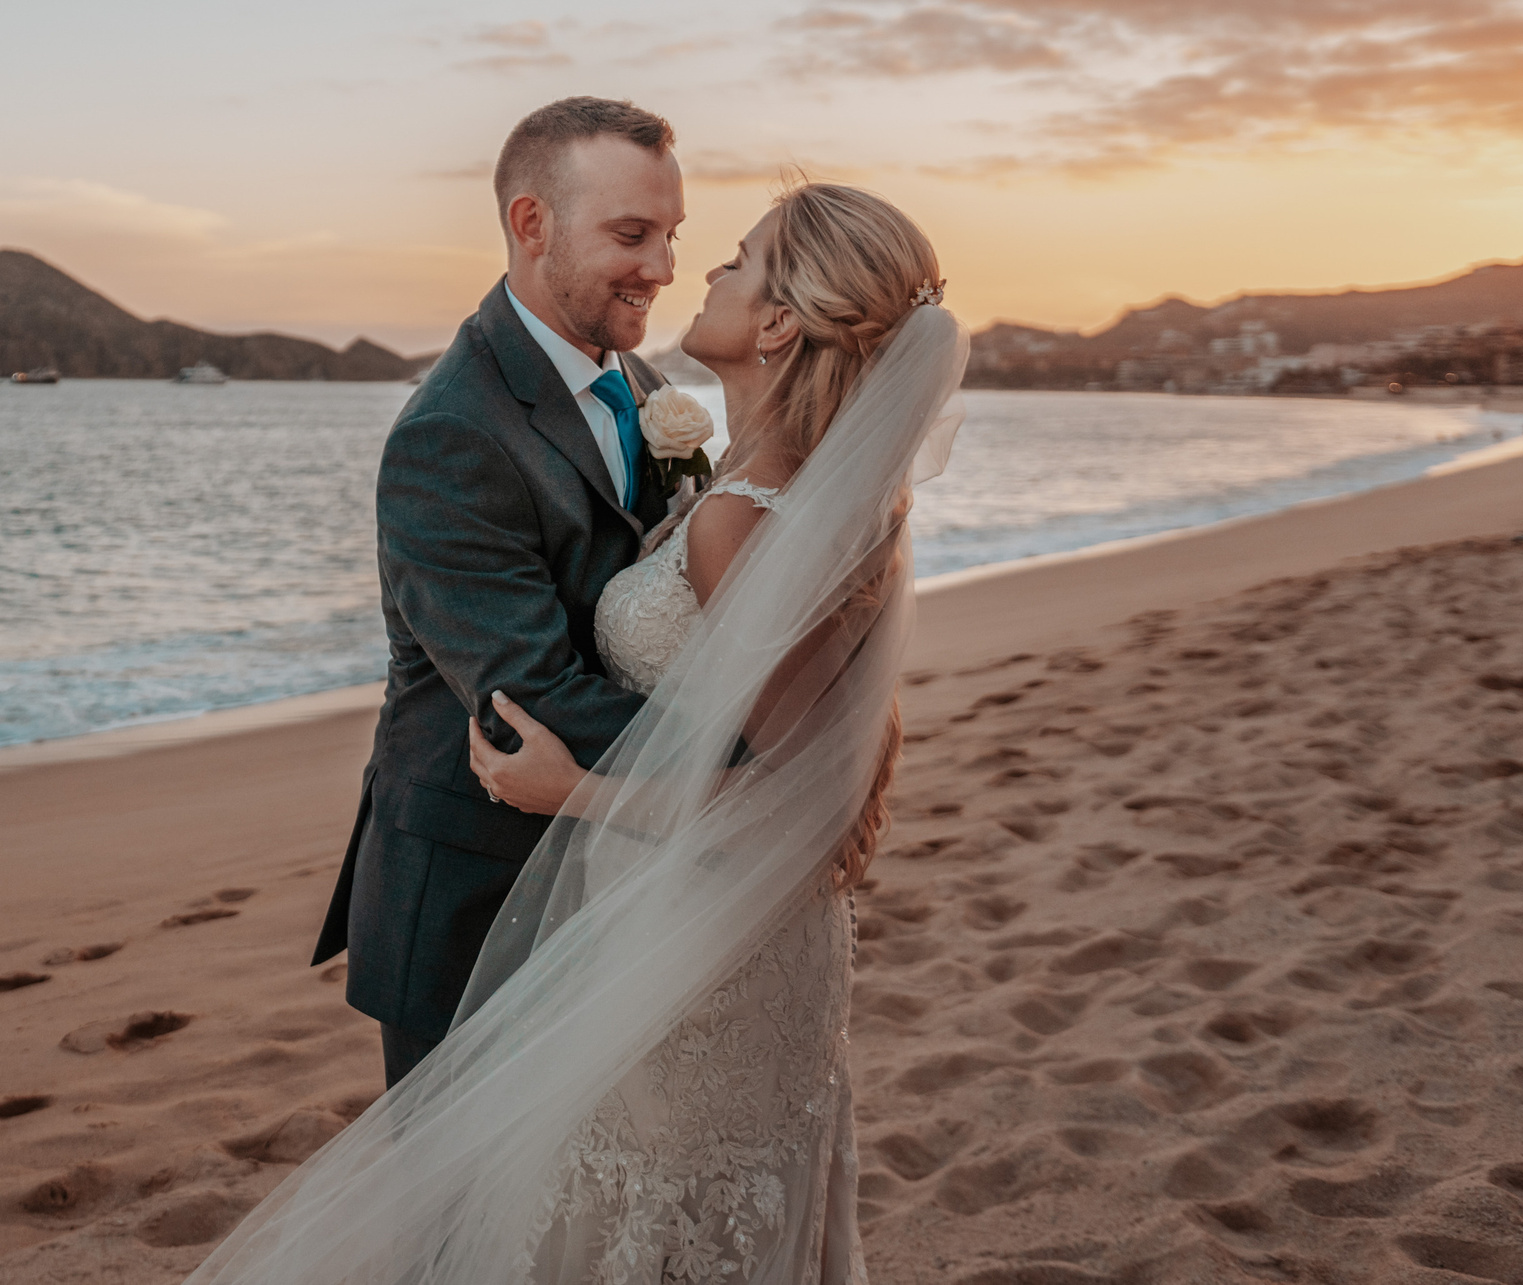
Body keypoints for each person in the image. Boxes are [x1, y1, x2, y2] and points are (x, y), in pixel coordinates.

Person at [192, 179, 967, 1285]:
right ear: (531, 220)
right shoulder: (764, 480)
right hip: (677, 916)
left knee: (638, 1215)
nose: (690, 268)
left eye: (732, 258)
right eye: (638, 233)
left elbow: (773, 787)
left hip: (699, 925)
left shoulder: (749, 511)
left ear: (784, 323)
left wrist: (577, 792)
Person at [313, 95, 690, 1088]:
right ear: (531, 224)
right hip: (476, 897)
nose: (662, 266)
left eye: (670, 234)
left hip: (607, 865)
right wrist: (761, 762)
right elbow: (531, 694)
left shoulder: (638, 384)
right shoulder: (453, 432)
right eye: (631, 233)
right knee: (464, 1235)